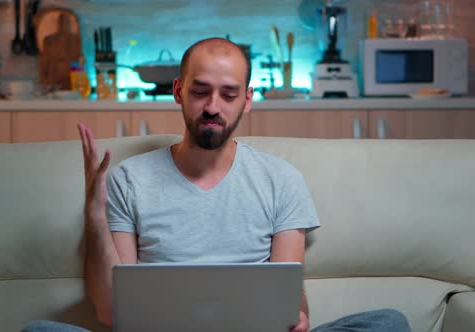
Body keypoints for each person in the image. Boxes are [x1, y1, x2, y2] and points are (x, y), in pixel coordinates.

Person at [23, 37, 410, 332]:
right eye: (200, 91)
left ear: (247, 101)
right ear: (178, 91)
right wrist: (94, 213)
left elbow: (289, 289)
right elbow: (110, 311)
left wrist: (298, 313)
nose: (213, 107)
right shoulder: (129, 179)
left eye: (228, 95)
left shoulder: (281, 179)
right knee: (39, 331)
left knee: (389, 323)